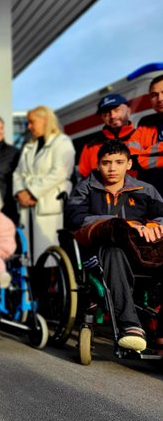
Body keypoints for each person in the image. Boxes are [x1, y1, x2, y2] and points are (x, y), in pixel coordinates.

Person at [65, 139, 163, 352]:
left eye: (119, 162)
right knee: (114, 251)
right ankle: (131, 326)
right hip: (99, 254)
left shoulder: (146, 190)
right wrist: (124, 225)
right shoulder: (85, 188)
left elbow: (161, 216)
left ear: (129, 164)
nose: (112, 168)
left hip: (142, 254)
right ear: (98, 164)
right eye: (106, 162)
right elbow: (75, 220)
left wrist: (155, 225)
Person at [13, 105, 75, 263]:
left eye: (32, 122)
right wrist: (20, 192)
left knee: (51, 257)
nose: (29, 126)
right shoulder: (29, 146)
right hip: (28, 208)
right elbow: (18, 173)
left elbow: (59, 172)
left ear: (45, 120)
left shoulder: (62, 142)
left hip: (50, 204)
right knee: (31, 259)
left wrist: (32, 192)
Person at [77, 93, 137, 178]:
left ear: (128, 111)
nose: (112, 116)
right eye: (106, 113)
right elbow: (85, 179)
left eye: (117, 110)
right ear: (102, 117)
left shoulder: (144, 135)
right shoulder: (90, 147)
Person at [129, 75, 163, 192]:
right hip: (152, 200)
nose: (160, 99)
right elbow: (130, 159)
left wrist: (144, 153)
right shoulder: (144, 128)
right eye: (154, 95)